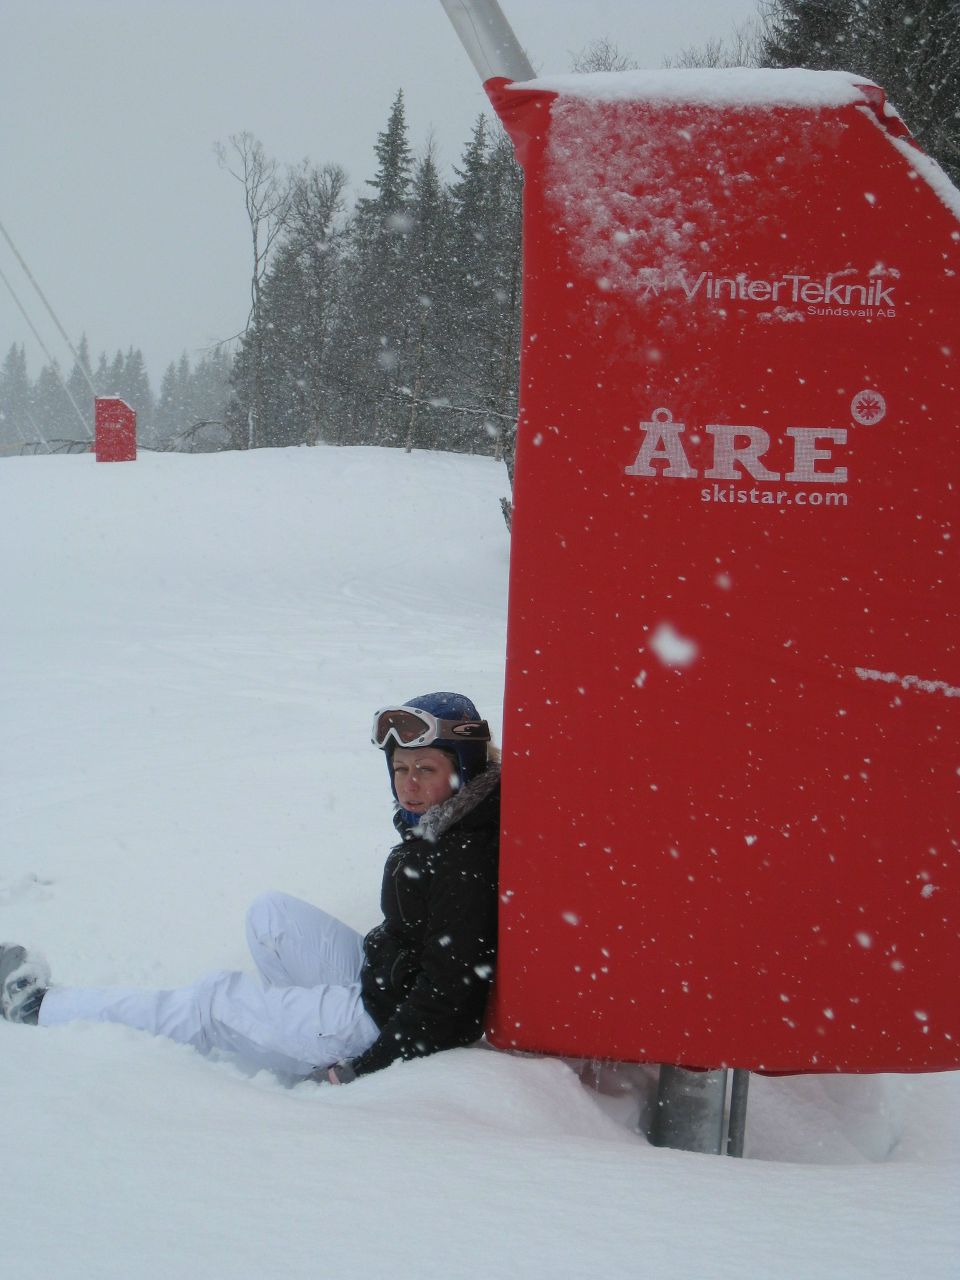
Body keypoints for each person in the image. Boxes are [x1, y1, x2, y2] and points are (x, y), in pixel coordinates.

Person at [0, 692, 501, 1084]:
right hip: (386, 981)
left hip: (383, 1020)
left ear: (463, 769)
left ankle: (42, 1010)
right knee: (272, 918)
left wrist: (368, 1066)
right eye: (400, 769)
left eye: (426, 769)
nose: (409, 784)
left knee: (213, 1005)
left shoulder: (462, 858)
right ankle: (295, 1037)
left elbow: (449, 1002)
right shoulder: (449, 825)